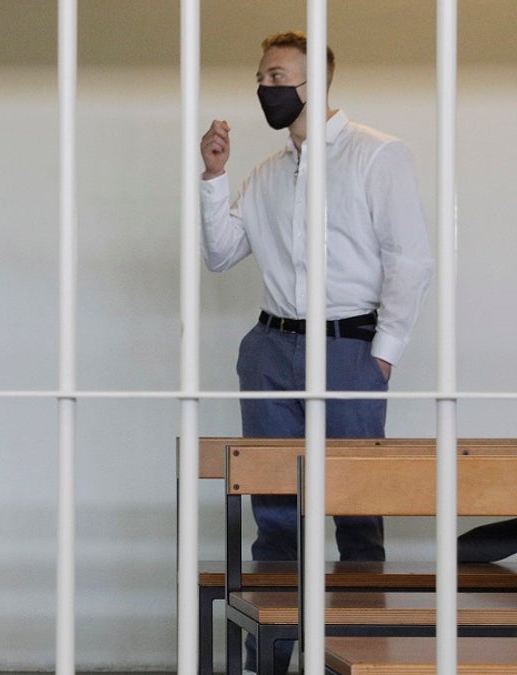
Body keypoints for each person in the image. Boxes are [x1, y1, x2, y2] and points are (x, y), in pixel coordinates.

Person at [199, 32, 434, 674]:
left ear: (317, 81)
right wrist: (215, 177)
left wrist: (380, 355)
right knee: (273, 511)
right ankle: (268, 660)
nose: (265, 86)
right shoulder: (268, 173)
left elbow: (408, 259)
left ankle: (361, 654)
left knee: (357, 508)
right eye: (261, 75)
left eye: (277, 74)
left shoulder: (376, 155)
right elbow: (222, 253)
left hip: (349, 348)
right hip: (272, 348)